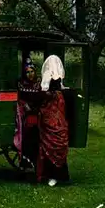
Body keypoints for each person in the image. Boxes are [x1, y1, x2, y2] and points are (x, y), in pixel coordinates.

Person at [19, 55, 70, 187]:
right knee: (49, 143)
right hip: (50, 114)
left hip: (53, 114)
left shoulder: (52, 82)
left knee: (54, 141)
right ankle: (50, 174)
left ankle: (54, 175)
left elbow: (43, 95)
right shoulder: (51, 82)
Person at [14, 57, 42, 171]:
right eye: (27, 72)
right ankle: (25, 162)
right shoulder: (22, 84)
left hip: (37, 114)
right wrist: (25, 106)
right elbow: (20, 98)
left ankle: (36, 163)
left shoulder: (39, 83)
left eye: (32, 71)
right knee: (26, 136)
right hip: (25, 116)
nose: (30, 74)